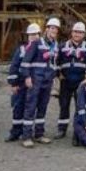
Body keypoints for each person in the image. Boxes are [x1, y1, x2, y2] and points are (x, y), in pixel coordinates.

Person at [20, 17, 60, 147]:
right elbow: (25, 62)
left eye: (56, 29)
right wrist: (27, 77)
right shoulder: (37, 43)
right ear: (47, 29)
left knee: (42, 108)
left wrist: (54, 78)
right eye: (52, 28)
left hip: (47, 81)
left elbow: (54, 64)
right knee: (31, 107)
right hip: (35, 79)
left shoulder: (55, 45)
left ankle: (39, 134)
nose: (54, 31)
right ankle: (26, 136)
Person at [55, 21, 86, 139]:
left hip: (81, 81)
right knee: (64, 105)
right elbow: (56, 62)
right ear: (72, 32)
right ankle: (62, 129)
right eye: (75, 32)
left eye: (80, 32)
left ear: (84, 34)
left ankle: (78, 130)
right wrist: (58, 75)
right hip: (65, 81)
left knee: (79, 106)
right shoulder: (62, 46)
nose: (77, 34)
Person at [4, 25, 31, 142]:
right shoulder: (22, 49)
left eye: (36, 35)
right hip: (20, 82)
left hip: (32, 83)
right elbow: (14, 66)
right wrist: (13, 83)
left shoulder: (40, 49)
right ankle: (15, 131)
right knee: (18, 107)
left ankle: (27, 132)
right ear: (28, 36)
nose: (34, 37)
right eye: (32, 35)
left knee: (30, 109)